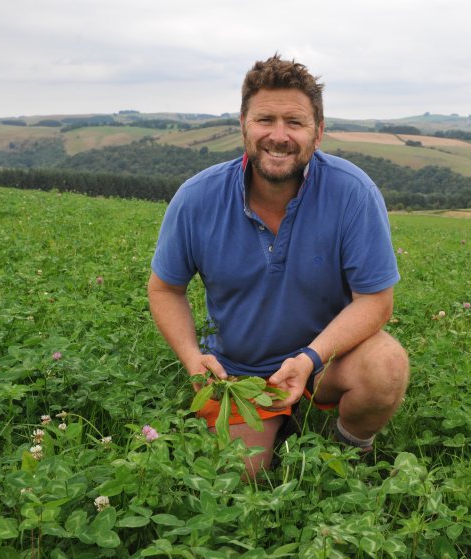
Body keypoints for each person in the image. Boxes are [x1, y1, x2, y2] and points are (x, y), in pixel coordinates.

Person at [148, 54, 409, 477]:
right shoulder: (197, 198)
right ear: (243, 125)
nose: (279, 135)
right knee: (241, 477)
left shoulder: (353, 193)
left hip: (326, 360)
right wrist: (193, 359)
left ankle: (349, 448)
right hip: (240, 373)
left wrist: (309, 358)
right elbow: (165, 288)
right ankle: (268, 424)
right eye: (265, 119)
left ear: (318, 133)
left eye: (296, 122)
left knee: (387, 365)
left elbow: (376, 301)